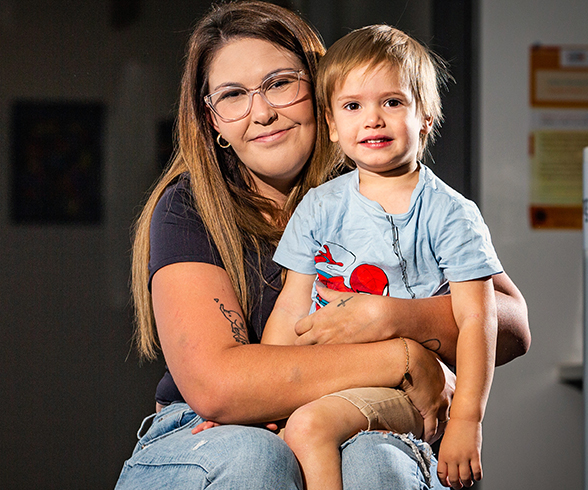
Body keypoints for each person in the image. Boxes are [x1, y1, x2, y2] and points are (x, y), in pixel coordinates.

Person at [114, 2, 530, 489]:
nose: (263, 112)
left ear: (320, 88)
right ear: (213, 121)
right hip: (213, 430)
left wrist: (392, 316)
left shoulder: (383, 180)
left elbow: (513, 327)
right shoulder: (188, 207)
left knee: (379, 465)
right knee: (254, 457)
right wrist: (403, 357)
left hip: (358, 412)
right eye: (233, 95)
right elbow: (218, 387)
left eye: (280, 83)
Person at [261, 24, 503, 490]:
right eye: (353, 106)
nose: (373, 119)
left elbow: (478, 320)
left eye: (392, 102)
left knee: (309, 428)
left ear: (426, 118)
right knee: (289, 433)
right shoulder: (318, 206)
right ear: (332, 125)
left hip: (406, 390)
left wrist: (467, 422)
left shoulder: (450, 213)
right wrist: (266, 397)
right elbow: (291, 306)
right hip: (327, 377)